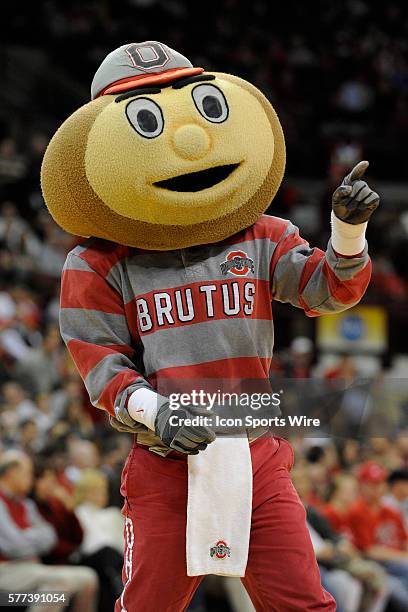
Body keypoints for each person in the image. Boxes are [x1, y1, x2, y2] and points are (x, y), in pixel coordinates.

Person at [42, 40, 380, 611]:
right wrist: (155, 410)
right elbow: (102, 368)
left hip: (256, 454)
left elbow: (329, 291)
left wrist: (347, 233)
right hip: (168, 459)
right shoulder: (96, 263)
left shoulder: (261, 235)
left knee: (306, 603)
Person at [0, 450, 98, 612]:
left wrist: (26, 537)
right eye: (27, 473)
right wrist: (34, 537)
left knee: (88, 578)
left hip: (29, 567)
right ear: (11, 473)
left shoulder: (26, 504)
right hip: (6, 569)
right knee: (60, 584)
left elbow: (50, 536)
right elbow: (13, 546)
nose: (31, 479)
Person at [347, 461, 408, 609]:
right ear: (362, 486)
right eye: (371, 484)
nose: (376, 489)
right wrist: (403, 557)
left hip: (397, 562)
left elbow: (405, 541)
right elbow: (370, 551)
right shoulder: (357, 511)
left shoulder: (391, 511)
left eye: (379, 483)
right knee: (399, 590)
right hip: (377, 564)